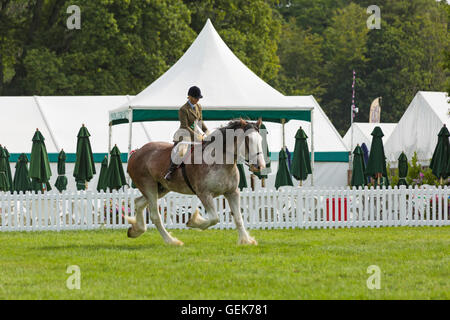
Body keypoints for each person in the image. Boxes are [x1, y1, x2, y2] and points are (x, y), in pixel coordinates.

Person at [164, 86, 209, 181]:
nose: (197, 100)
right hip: (184, 134)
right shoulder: (183, 109)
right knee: (183, 149)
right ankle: (170, 171)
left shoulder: (198, 107)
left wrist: (208, 133)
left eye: (198, 98)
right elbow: (185, 126)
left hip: (194, 133)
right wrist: (197, 136)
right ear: (190, 97)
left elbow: (200, 122)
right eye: (196, 98)